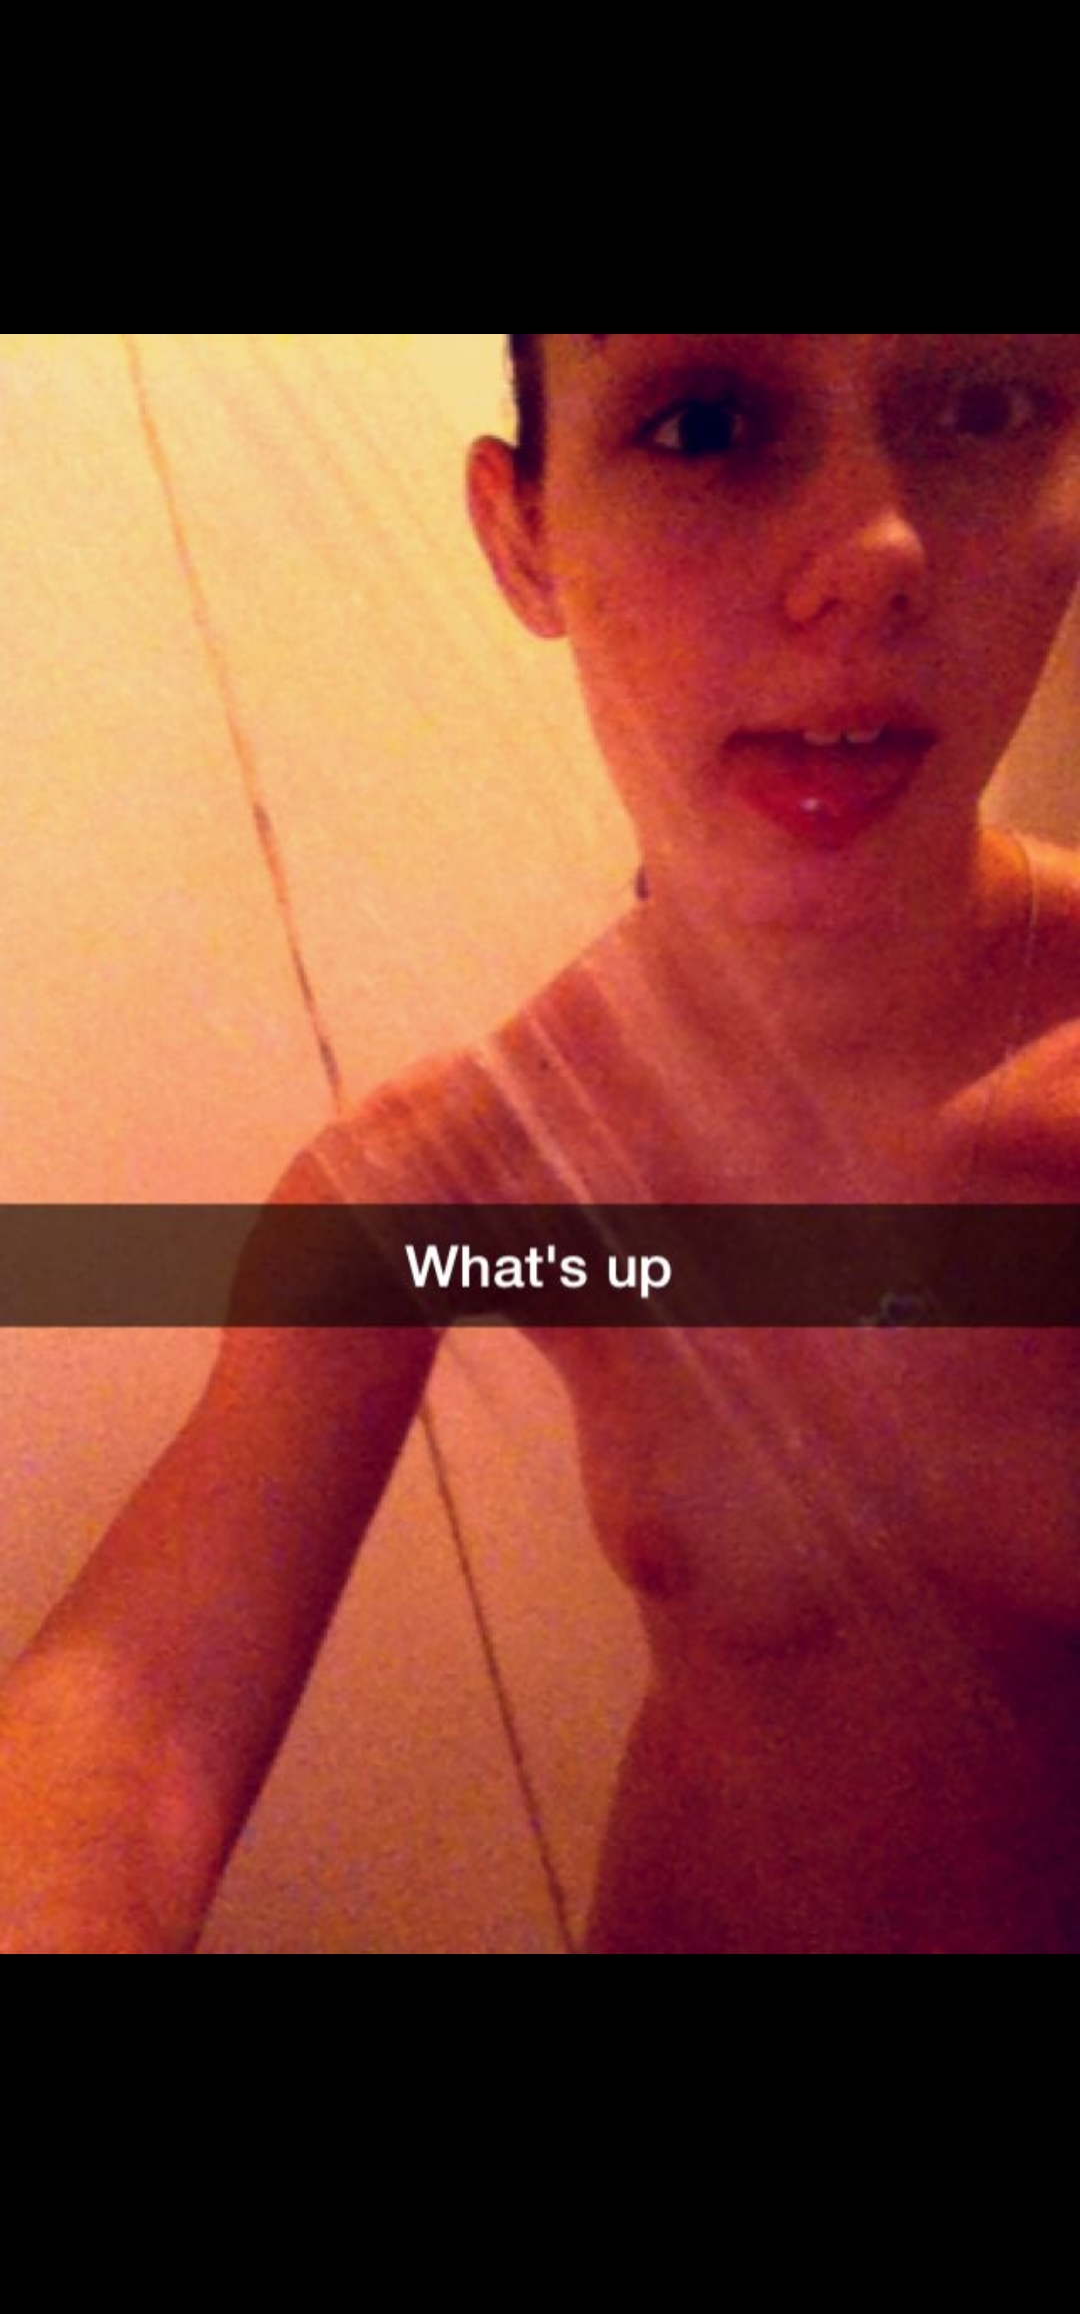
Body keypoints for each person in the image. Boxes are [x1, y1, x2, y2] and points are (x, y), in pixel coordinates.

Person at [2, 333, 1080, 1955]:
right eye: (706, 423)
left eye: (985, 407)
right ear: (526, 539)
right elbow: (132, 1710)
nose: (874, 555)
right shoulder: (468, 1185)